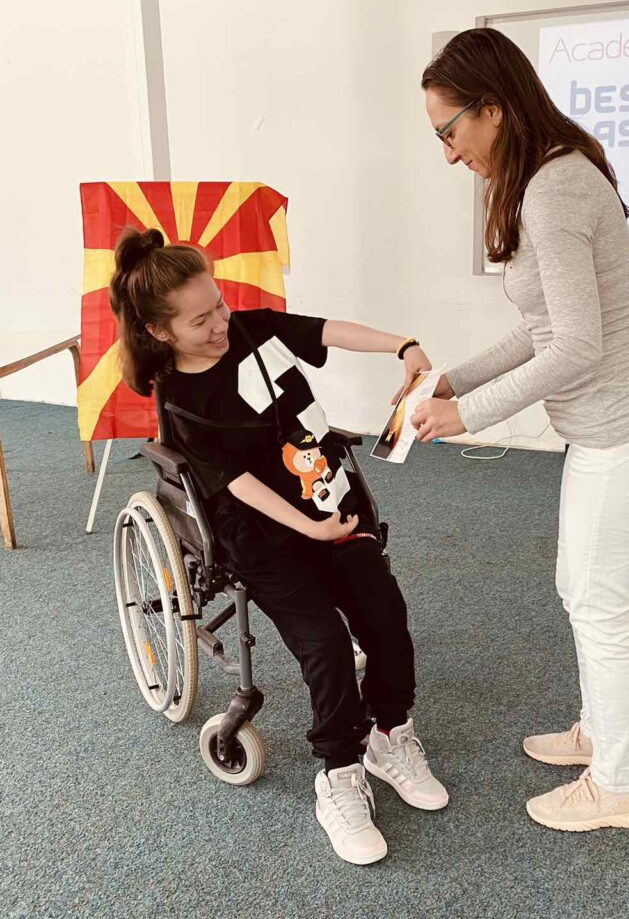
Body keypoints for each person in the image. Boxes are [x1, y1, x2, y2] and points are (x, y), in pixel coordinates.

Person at [413, 28, 629, 832]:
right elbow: (543, 329)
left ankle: (619, 786)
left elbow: (578, 348)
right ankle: (600, 735)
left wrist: (469, 414)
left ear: (492, 109)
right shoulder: (547, 175)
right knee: (582, 592)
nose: (449, 154)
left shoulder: (554, 189)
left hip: (624, 434)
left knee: (601, 609)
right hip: (609, 432)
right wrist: (453, 379)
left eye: (449, 131)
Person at [109, 227, 447, 866]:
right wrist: (309, 530)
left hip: (330, 501)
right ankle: (338, 772)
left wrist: (403, 345)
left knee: (385, 613)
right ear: (160, 331)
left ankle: (389, 734)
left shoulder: (254, 330)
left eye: (219, 304)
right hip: (260, 534)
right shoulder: (181, 400)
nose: (220, 323)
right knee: (321, 640)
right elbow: (233, 485)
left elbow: (326, 331)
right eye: (201, 318)